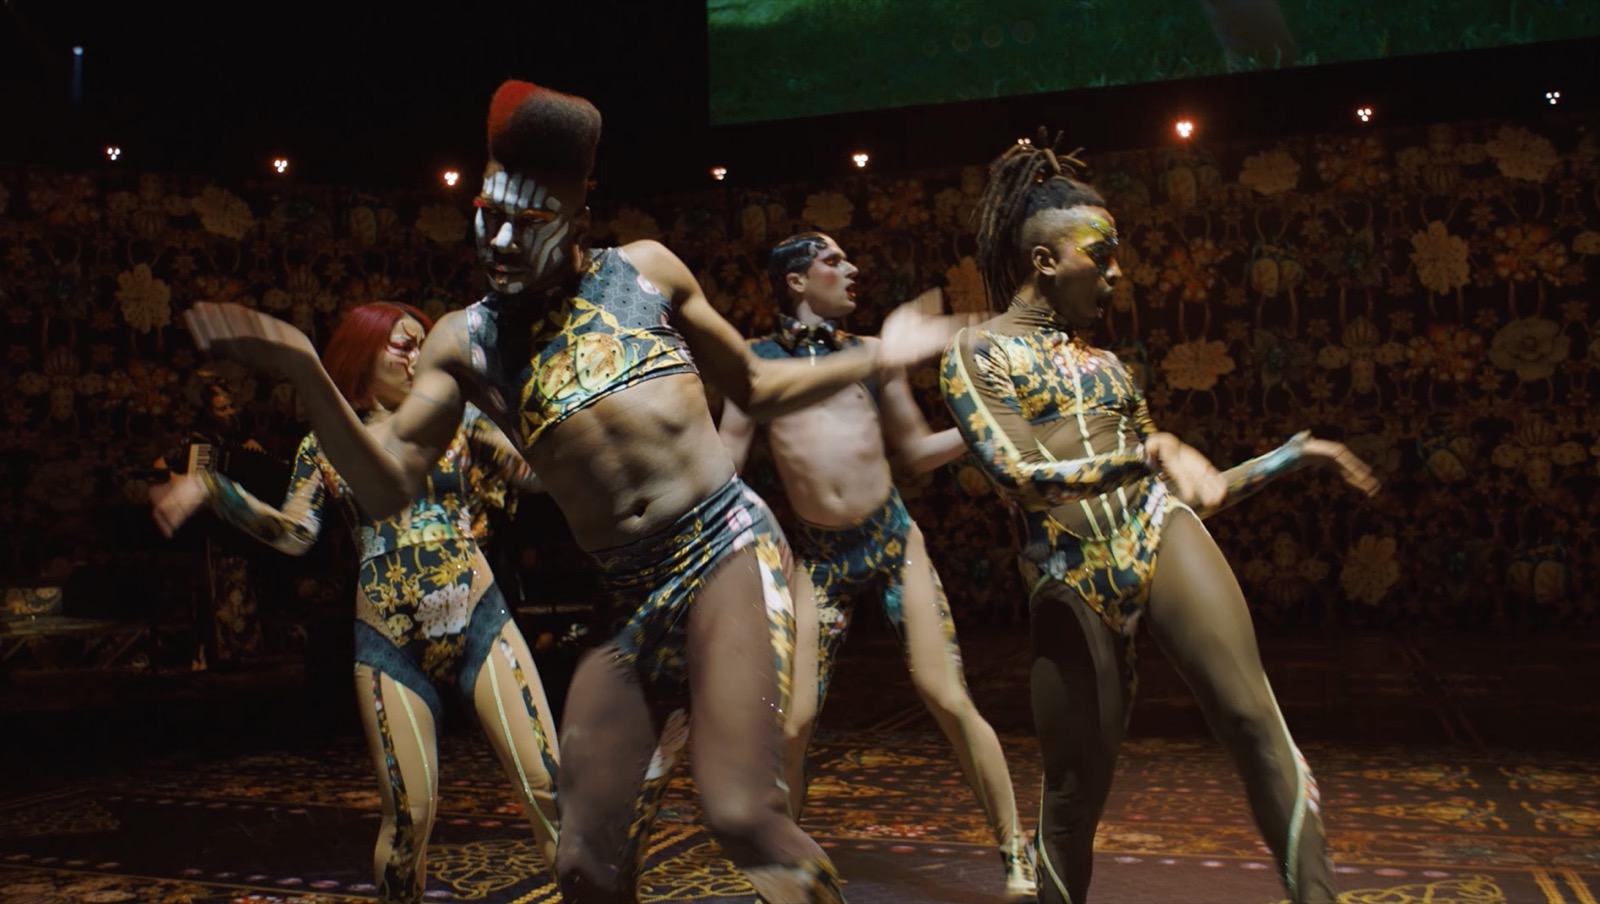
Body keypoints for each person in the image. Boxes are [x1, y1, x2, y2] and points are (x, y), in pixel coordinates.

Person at [181, 80, 968, 904]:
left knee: (741, 814)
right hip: (626, 592)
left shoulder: (647, 273)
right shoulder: (466, 342)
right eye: (487, 213)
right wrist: (306, 370)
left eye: (526, 222)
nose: (497, 240)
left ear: (578, 213)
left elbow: (758, 385)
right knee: (584, 863)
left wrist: (881, 354)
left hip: (725, 549)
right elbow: (385, 485)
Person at [938, 135, 1379, 904]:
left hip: (1157, 527)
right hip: (1068, 573)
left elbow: (1194, 489)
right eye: (1101, 257)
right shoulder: (977, 353)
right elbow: (1018, 477)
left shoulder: (1111, 368)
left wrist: (1286, 456)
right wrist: (1145, 455)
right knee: (1074, 795)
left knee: (1254, 721)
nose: (1117, 275)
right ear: (1045, 260)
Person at [151, 302, 561, 904]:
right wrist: (215, 490)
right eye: (402, 344)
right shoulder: (325, 444)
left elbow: (535, 473)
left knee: (550, 789)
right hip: (390, 643)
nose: (417, 354)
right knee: (409, 819)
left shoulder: (459, 416)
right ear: (362, 354)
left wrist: (530, 398)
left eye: (422, 342)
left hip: (480, 618)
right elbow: (294, 534)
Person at [719, 232, 1035, 900]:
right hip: (820, 559)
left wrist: (985, 429)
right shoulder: (757, 363)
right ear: (796, 281)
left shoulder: (870, 353)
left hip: (892, 544)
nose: (852, 268)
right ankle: (787, 869)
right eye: (832, 261)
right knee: (794, 722)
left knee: (946, 696)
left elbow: (914, 451)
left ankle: (1016, 851)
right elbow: (726, 463)